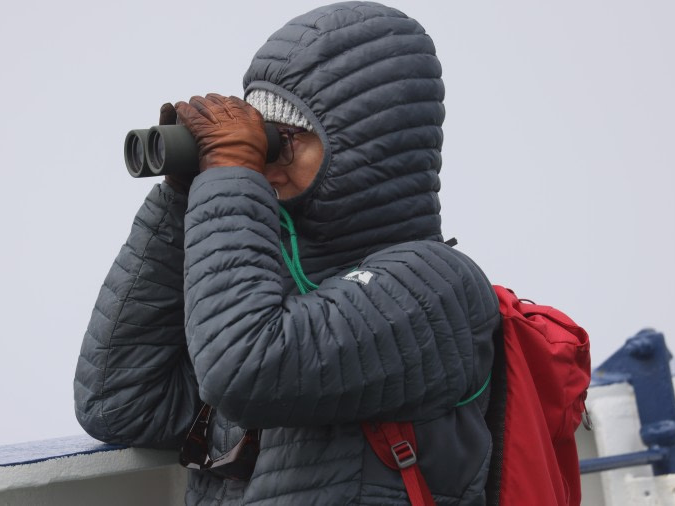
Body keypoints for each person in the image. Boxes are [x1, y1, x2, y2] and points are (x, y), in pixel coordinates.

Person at [74, 2, 500, 504]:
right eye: (260, 140)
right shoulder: (264, 295)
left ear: (365, 150)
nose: (264, 161)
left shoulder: (436, 287)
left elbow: (246, 367)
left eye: (285, 141)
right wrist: (181, 200)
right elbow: (117, 403)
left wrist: (230, 173)